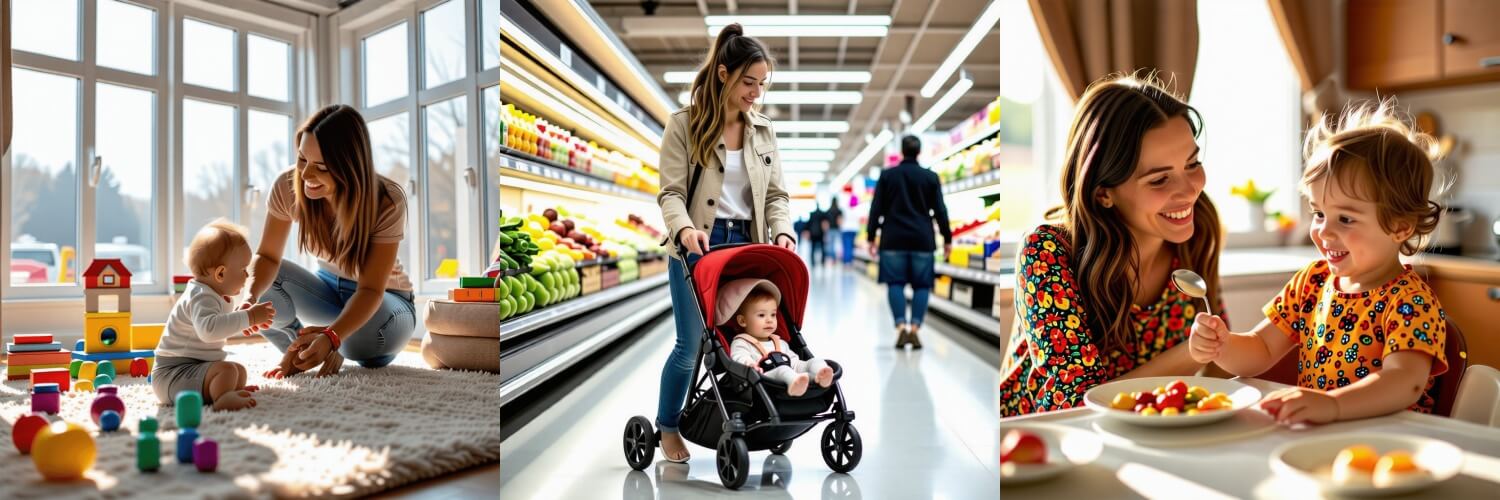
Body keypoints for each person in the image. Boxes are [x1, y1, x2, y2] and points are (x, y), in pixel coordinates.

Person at [1190, 102, 1448, 425]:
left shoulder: (1411, 302)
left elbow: (1404, 382)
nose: (1323, 230)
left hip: (1390, 445)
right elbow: (1260, 350)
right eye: (1318, 213)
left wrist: (1333, 405)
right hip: (1324, 439)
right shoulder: (1312, 283)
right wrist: (1223, 345)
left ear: (1400, 226)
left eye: (1345, 218)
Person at [998, 75, 1226, 417]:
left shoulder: (1198, 232)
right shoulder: (1045, 251)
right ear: (1103, 192)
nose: (1190, 190)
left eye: (1192, 164)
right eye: (1160, 179)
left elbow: (1219, 362)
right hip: (1036, 445)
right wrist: (1191, 353)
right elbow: (1074, 404)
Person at [654, 23, 795, 463]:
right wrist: (683, 229)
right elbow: (671, 193)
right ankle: (668, 426)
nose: (755, 92)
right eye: (748, 82)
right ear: (722, 74)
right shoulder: (684, 125)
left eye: (762, 84)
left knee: (744, 339)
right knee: (691, 343)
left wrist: (784, 229)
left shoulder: (764, 131)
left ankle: (749, 415)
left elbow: (775, 196)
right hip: (697, 244)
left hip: (747, 245)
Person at [241, 104, 418, 378]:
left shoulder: (386, 199)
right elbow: (267, 257)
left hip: (385, 301)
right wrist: (250, 296)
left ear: (349, 167)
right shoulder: (288, 186)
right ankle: (299, 351)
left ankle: (335, 344)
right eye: (302, 160)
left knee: (360, 342)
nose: (306, 175)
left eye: (321, 167)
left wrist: (334, 337)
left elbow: (370, 290)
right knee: (259, 286)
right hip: (328, 291)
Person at [152, 220, 273, 411]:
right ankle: (222, 398)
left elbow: (221, 324)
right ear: (221, 274)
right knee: (226, 370)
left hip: (191, 369)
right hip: (172, 375)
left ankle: (226, 391)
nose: (246, 276)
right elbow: (209, 331)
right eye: (243, 269)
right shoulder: (201, 297)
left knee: (238, 372)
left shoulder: (214, 295)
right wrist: (249, 317)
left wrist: (243, 320)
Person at [866, 135, 952, 349]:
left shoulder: (887, 176)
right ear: (919, 152)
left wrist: (870, 236)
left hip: (893, 239)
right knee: (922, 285)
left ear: (902, 152)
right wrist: (947, 238)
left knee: (895, 284)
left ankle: (900, 327)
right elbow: (940, 211)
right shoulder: (930, 177)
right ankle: (914, 329)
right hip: (922, 239)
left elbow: (875, 209)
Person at [719, 279, 834, 397]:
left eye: (773, 315)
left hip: (790, 375)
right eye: (761, 315)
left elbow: (794, 362)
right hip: (763, 381)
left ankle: (820, 376)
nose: (769, 320)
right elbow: (739, 357)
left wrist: (803, 366)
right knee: (783, 370)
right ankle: (797, 382)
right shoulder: (741, 342)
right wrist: (750, 365)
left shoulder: (780, 342)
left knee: (815, 361)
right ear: (743, 321)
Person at [824, 197, 843, 265]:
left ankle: (832, 258)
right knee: (837, 244)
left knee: (830, 245)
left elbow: (826, 223)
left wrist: (826, 231)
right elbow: (839, 220)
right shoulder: (839, 211)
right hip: (837, 229)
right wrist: (840, 227)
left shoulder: (828, 210)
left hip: (830, 229)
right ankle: (835, 258)